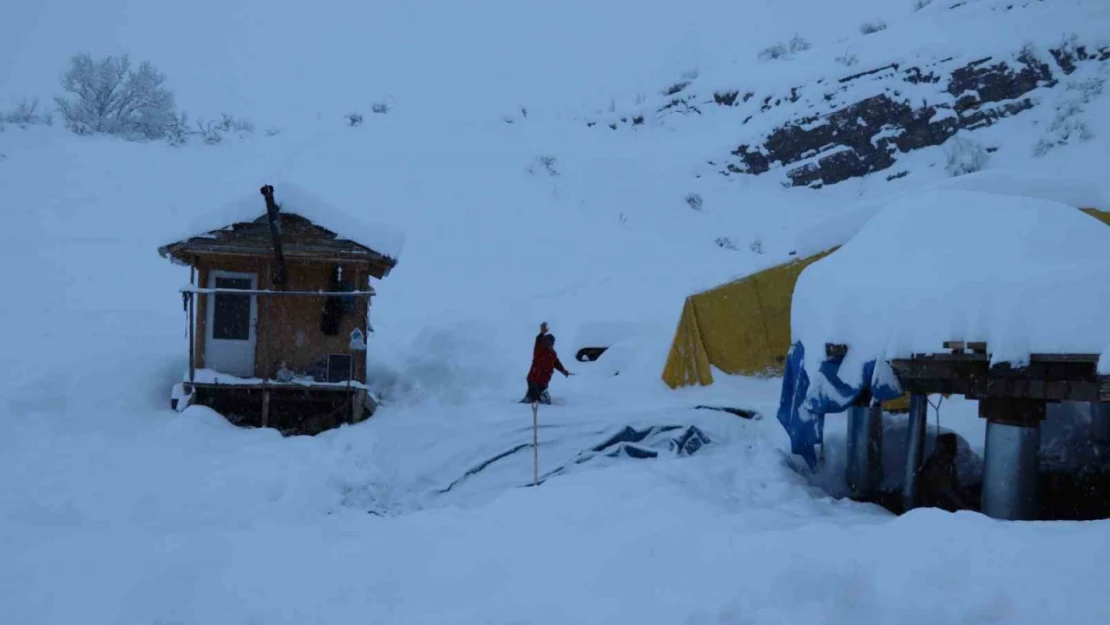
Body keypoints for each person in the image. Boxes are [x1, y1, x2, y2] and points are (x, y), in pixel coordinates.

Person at [919, 433, 975, 512]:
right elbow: (946, 489)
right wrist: (965, 508)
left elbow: (954, 487)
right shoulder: (939, 463)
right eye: (954, 444)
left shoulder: (946, 461)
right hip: (937, 510)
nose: (956, 447)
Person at [522, 322, 571, 405]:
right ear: (544, 342)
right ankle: (517, 410)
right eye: (547, 342)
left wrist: (563, 371)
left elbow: (557, 363)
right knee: (537, 402)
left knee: (543, 402)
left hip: (543, 382)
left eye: (551, 342)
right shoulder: (539, 351)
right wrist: (541, 333)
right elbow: (538, 341)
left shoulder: (552, 354)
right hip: (534, 380)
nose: (549, 344)